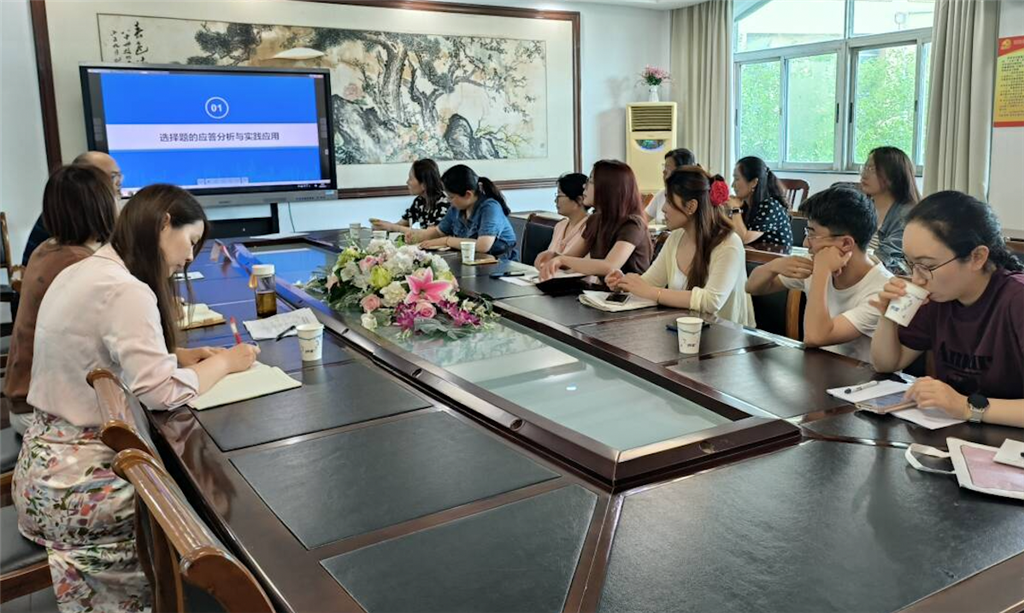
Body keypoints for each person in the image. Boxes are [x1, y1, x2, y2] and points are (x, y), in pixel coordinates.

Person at [12, 184, 260, 612]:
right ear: (164, 223)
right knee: (217, 510)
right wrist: (225, 363)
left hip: (45, 468)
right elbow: (160, 392)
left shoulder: (87, 269)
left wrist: (176, 356)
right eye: (191, 241)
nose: (189, 256)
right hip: (81, 486)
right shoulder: (125, 289)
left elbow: (96, 348)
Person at [870, 191, 1024, 428]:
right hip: (958, 432)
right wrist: (887, 316)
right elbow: (887, 364)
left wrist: (966, 407)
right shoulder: (938, 297)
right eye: (910, 264)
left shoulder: (1016, 300)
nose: (917, 279)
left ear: (977, 257)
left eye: (927, 266)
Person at [4, 165, 118, 435]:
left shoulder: (49, 248)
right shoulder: (78, 262)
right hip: (39, 412)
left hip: (26, 398)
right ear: (100, 207)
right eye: (114, 194)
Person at [746, 185, 891, 362]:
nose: (806, 243)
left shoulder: (882, 291)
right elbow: (753, 287)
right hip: (817, 370)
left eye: (812, 234)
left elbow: (815, 337)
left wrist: (822, 271)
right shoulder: (816, 263)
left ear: (846, 243)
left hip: (861, 377)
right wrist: (774, 266)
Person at [606, 166, 755, 325]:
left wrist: (652, 292)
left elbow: (711, 302)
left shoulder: (729, 243)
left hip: (726, 335)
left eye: (669, 202)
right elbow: (650, 283)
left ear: (691, 206)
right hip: (685, 330)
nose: (663, 208)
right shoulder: (676, 237)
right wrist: (624, 283)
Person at [537, 160, 652, 280]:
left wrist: (561, 260)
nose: (584, 186)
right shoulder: (595, 220)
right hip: (603, 290)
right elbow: (571, 257)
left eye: (590, 182)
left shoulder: (632, 224)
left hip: (631, 291)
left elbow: (610, 266)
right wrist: (552, 256)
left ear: (607, 188)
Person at [21, 151, 123, 266]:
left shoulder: (63, 211)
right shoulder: (75, 255)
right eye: (112, 177)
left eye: (119, 175)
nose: (119, 183)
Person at [411, 164, 519, 260]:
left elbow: (483, 246)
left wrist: (446, 241)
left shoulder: (490, 208)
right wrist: (416, 236)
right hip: (471, 262)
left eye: (451, 197)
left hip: (501, 265)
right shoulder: (456, 208)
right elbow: (438, 232)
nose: (449, 200)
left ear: (468, 194)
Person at [860, 146, 920, 273]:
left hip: (888, 278)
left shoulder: (907, 214)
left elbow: (886, 258)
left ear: (893, 177)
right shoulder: (863, 207)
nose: (864, 174)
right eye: (865, 167)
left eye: (872, 169)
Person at [726, 156, 793, 248]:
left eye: (737, 179)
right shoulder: (745, 205)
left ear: (754, 182)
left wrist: (735, 209)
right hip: (753, 254)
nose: (732, 185)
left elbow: (743, 238)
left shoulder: (770, 206)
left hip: (772, 255)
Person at [370, 159, 449, 232]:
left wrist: (392, 227)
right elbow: (402, 224)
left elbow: (431, 234)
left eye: (411, 178)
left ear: (424, 185)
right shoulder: (419, 201)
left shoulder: (444, 203)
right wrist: (383, 226)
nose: (407, 182)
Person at [533, 172, 590, 265]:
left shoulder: (590, 227)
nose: (555, 201)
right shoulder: (560, 226)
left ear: (579, 200)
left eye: (559, 196)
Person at [645, 148, 696, 224]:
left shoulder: (694, 197)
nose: (664, 171)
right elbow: (643, 219)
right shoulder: (662, 193)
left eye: (668, 168)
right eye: (664, 167)